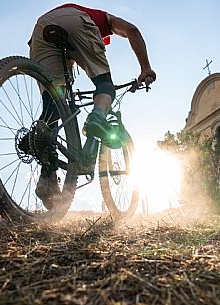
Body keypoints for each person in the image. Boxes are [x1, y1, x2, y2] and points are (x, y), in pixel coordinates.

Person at [28, 3, 156, 202]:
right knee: (105, 85)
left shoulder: (70, 45)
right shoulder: (103, 19)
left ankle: (48, 177)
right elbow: (132, 30)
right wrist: (145, 68)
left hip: (39, 31)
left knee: (55, 103)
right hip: (73, 20)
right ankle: (97, 117)